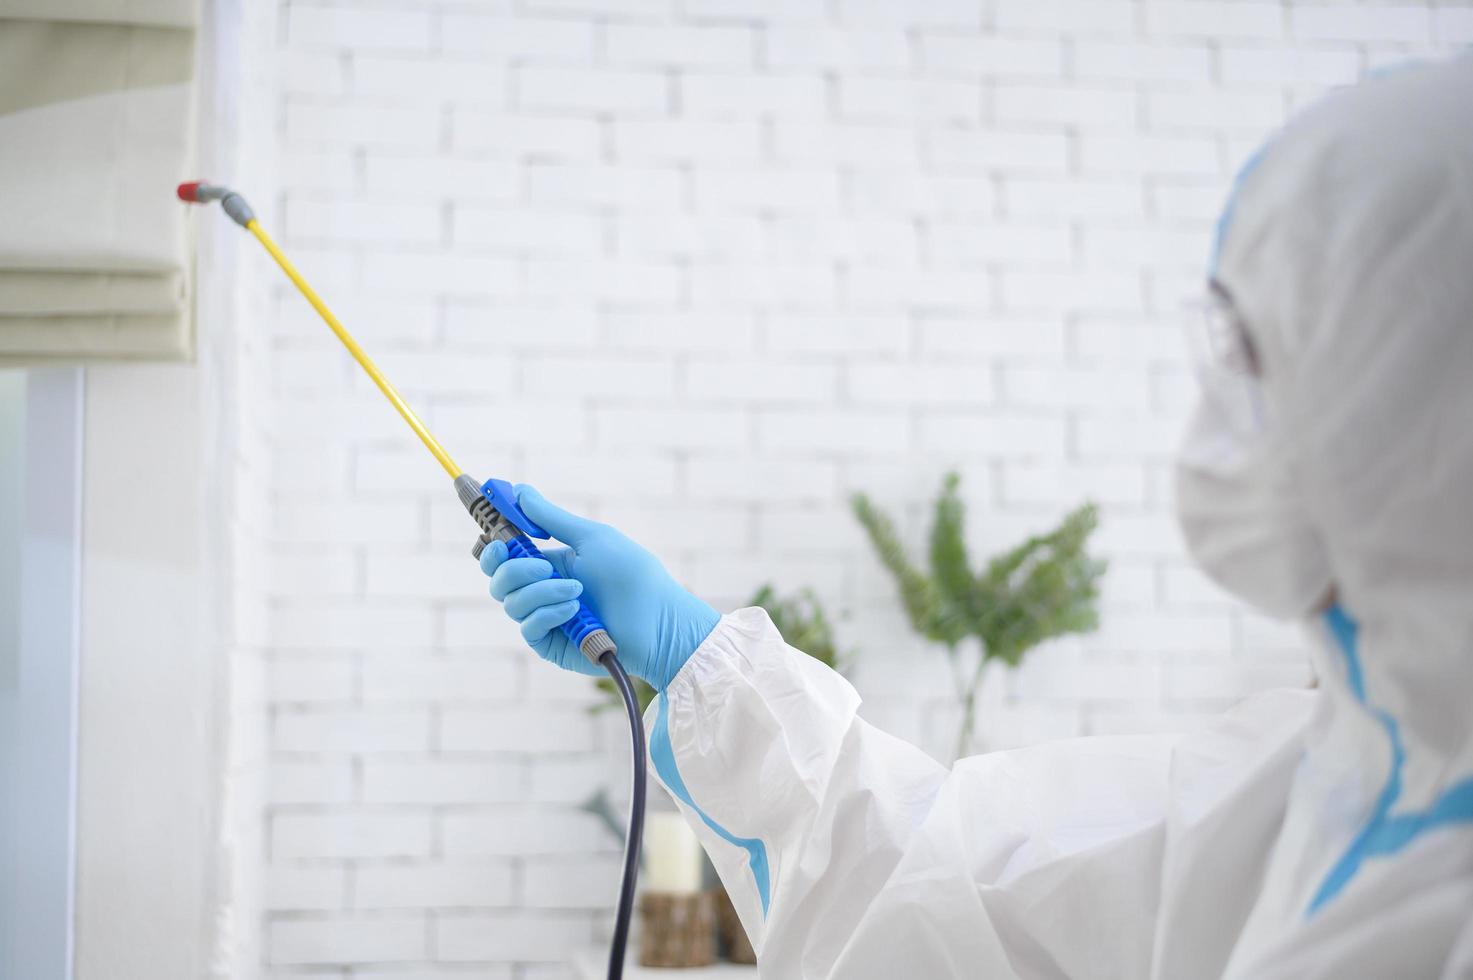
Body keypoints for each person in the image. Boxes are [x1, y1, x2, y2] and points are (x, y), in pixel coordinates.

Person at [480, 57, 1473, 979]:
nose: (1227, 420)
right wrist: (698, 660)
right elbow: (957, 886)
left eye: (1263, 355)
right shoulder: (1335, 776)